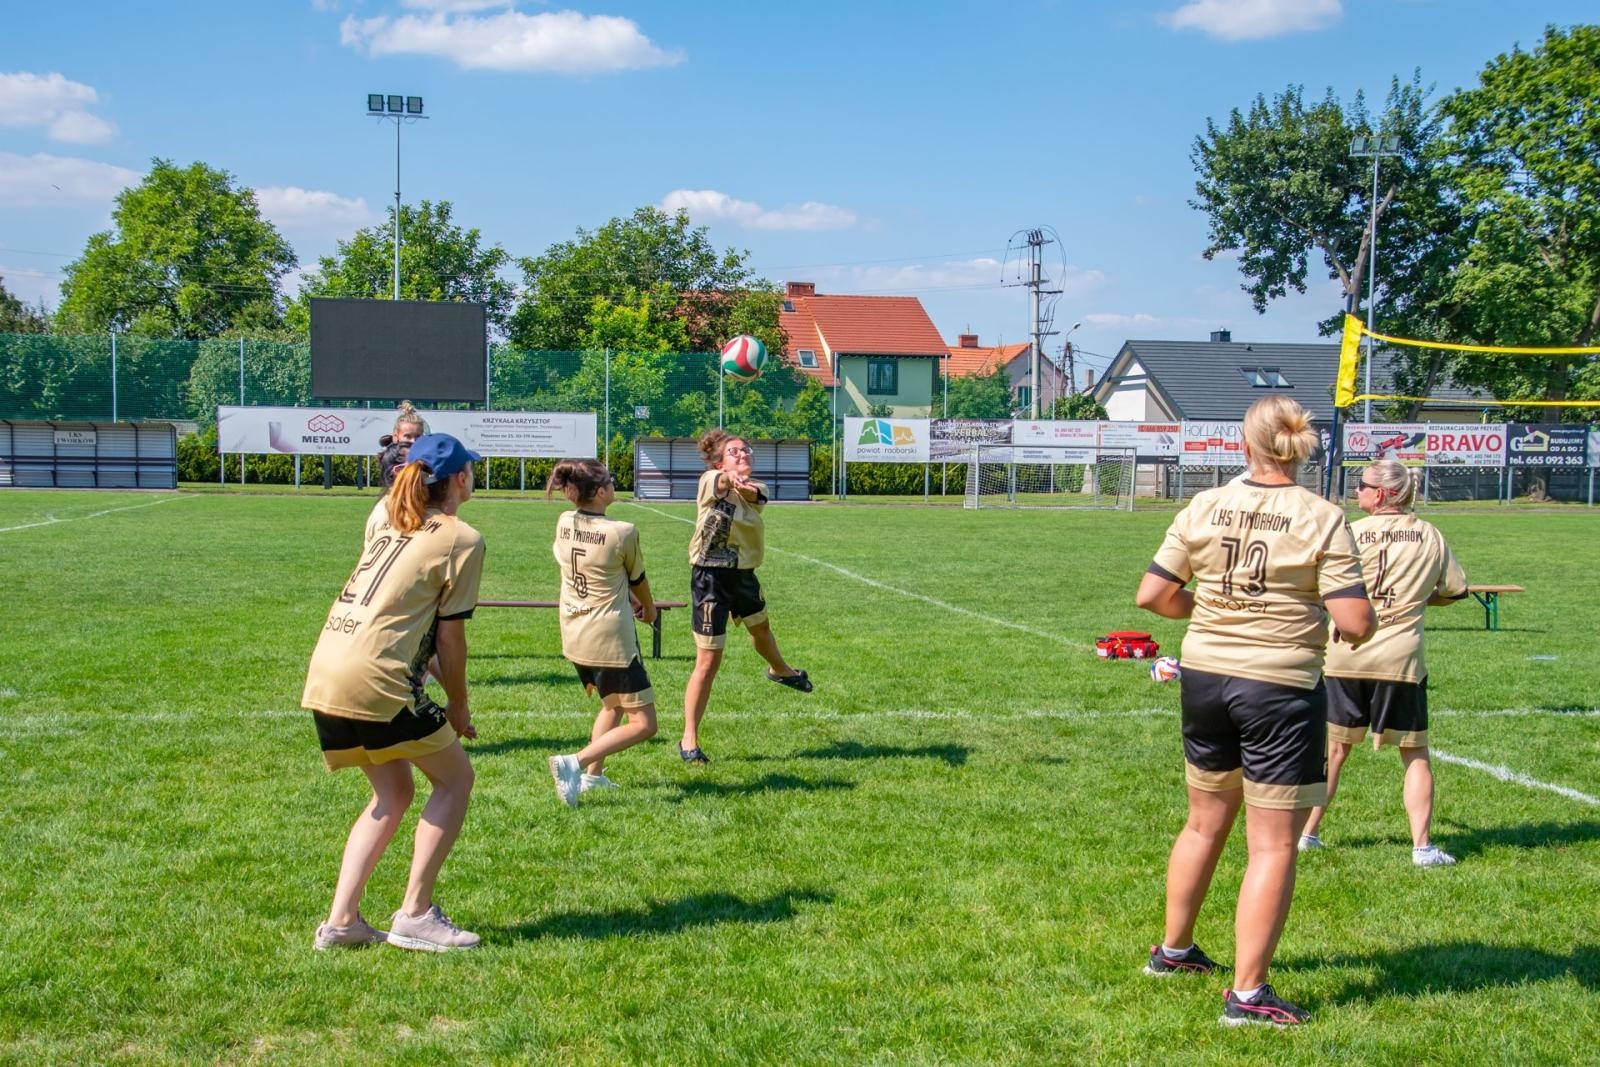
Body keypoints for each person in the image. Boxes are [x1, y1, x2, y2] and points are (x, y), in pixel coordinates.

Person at [1134, 395, 1376, 1027]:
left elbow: (1153, 596)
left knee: (1202, 823)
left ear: (1243, 444)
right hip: (1278, 686)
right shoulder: (1322, 515)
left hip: (1206, 677)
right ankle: (1247, 996)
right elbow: (1354, 620)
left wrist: (1212, 615)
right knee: (1272, 845)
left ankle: (1174, 950)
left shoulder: (1205, 504)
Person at [302, 433, 487, 953]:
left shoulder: (387, 515)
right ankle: (416, 914)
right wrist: (459, 704)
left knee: (393, 792)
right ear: (458, 479)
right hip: (376, 679)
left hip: (328, 668)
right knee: (455, 781)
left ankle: (342, 924)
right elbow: (450, 636)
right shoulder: (462, 538)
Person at [1299, 459, 1468, 865]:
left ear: (1381, 493)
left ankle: (1308, 833)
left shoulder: (1350, 533)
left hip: (1346, 653)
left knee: (1335, 749)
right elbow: (1455, 589)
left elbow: (1320, 587)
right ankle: (1422, 847)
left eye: (1361, 485)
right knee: (1414, 752)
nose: (1356, 491)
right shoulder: (1430, 535)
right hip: (1400, 659)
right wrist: (1418, 598)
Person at [680, 429, 811, 764]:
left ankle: (781, 670)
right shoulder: (710, 479)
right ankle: (689, 740)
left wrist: (743, 484)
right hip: (709, 575)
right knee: (708, 661)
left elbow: (754, 496)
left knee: (761, 630)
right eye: (734, 452)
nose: (743, 455)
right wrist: (730, 479)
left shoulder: (758, 488)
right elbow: (723, 484)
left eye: (746, 451)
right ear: (719, 461)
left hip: (743, 575)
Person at [543, 459, 660, 807]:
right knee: (645, 723)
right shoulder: (622, 531)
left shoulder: (564, 521)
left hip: (575, 630)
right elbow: (637, 579)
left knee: (613, 705)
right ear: (599, 491)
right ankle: (573, 764)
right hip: (610, 637)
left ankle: (593, 777)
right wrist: (649, 610)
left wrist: (626, 597)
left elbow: (602, 573)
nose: (614, 485)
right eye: (610, 480)